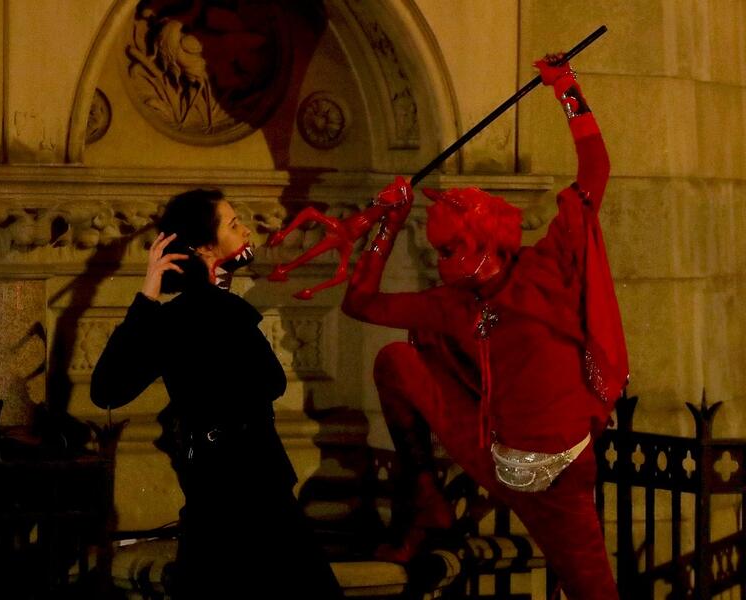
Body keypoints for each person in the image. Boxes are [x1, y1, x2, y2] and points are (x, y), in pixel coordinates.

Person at [340, 54, 628, 599]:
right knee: (396, 362)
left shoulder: (547, 268)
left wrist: (567, 89)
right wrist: (389, 225)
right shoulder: (453, 303)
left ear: (483, 241)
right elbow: (361, 304)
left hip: (559, 476)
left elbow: (594, 171)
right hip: (492, 454)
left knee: (594, 591)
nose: (441, 258)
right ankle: (427, 498)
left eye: (449, 248)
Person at [90, 189, 343, 599]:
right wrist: (150, 298)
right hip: (246, 495)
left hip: (223, 490)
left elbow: (108, 389)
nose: (245, 228)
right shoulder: (204, 314)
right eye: (231, 223)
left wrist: (149, 298)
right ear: (205, 247)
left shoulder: (188, 315)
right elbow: (107, 390)